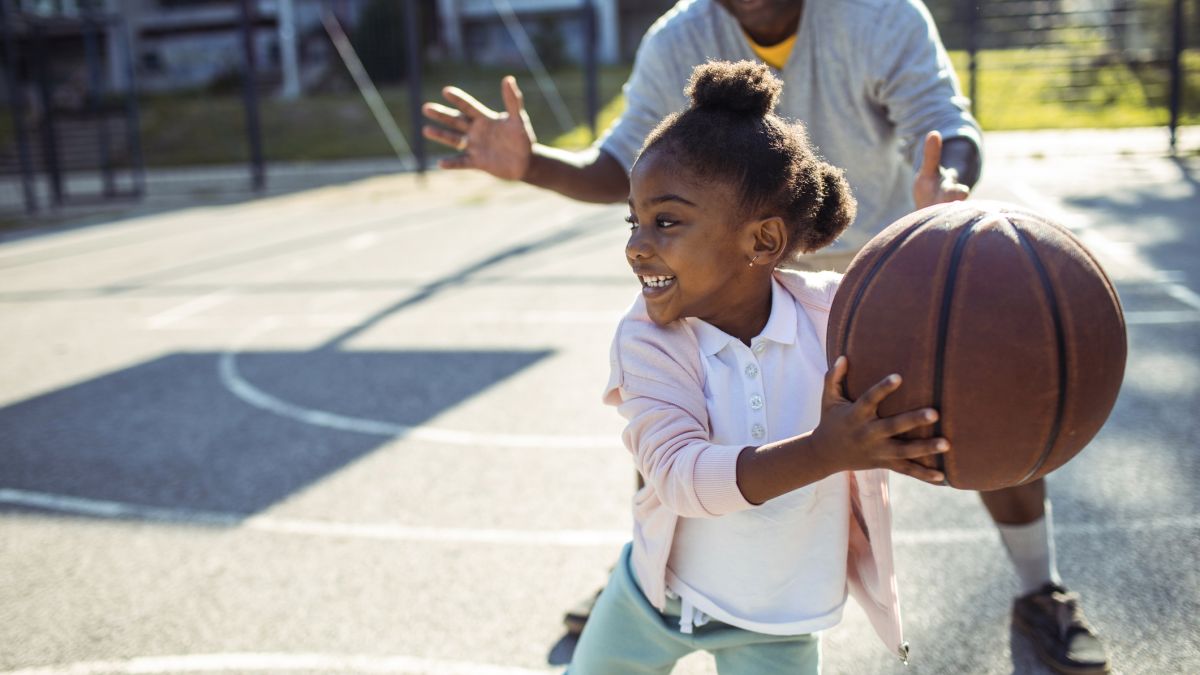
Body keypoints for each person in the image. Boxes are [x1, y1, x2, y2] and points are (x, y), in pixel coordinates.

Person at [422, 2, 1110, 673]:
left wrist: (949, 187)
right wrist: (533, 162)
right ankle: (658, 565)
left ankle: (1037, 586)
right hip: (713, 266)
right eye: (635, 226)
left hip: (878, 271)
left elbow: (942, 124)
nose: (635, 242)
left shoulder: (879, 16)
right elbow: (621, 161)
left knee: (975, 389)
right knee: (678, 426)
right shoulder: (680, 36)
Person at [572, 59, 948, 674]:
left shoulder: (833, 317)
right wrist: (827, 451)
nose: (637, 244)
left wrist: (940, 235)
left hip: (779, 619)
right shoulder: (648, 338)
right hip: (655, 596)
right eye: (634, 220)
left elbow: (932, 324)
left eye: (666, 221)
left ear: (763, 242)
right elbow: (680, 478)